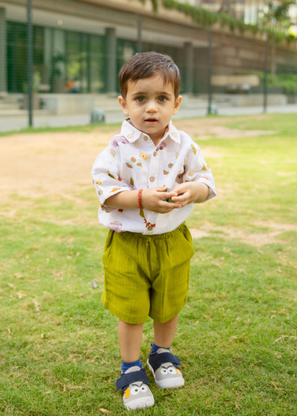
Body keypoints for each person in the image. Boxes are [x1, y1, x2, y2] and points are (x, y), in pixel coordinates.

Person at [91, 51, 216, 410]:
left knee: (168, 304)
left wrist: (193, 190)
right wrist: (141, 198)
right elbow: (104, 190)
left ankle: (161, 353)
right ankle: (131, 368)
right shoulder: (116, 149)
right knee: (131, 310)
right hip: (128, 243)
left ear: (176, 104)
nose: (151, 108)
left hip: (172, 241)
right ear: (123, 103)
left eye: (161, 98)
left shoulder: (185, 145)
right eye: (140, 98)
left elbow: (205, 180)